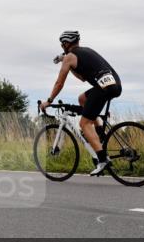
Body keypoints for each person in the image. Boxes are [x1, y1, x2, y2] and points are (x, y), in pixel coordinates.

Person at [40, 30, 122, 175]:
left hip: (102, 88)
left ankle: (102, 159)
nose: (61, 46)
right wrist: (69, 65)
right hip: (115, 85)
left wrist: (49, 101)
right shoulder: (86, 51)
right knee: (82, 99)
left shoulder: (69, 57)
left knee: (84, 123)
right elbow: (82, 78)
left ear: (66, 43)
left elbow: (59, 83)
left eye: (62, 44)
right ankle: (100, 135)